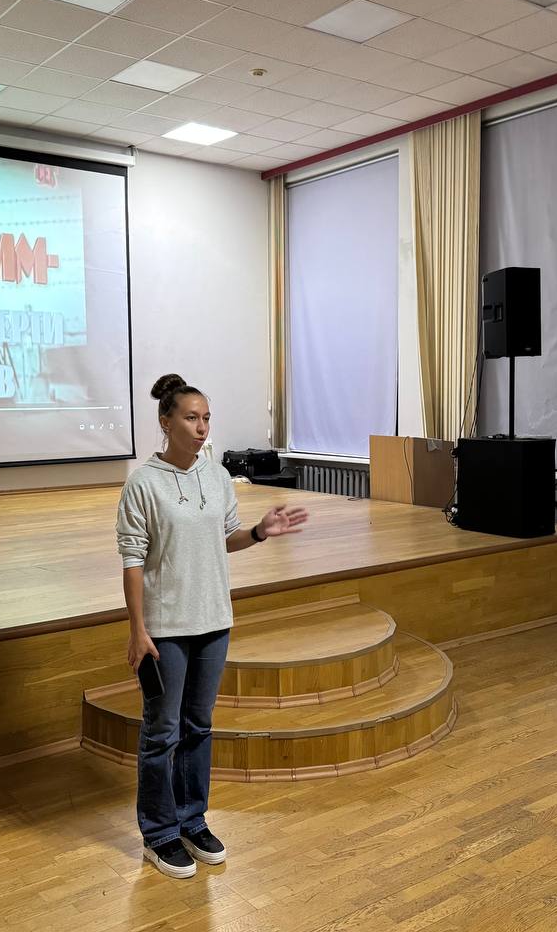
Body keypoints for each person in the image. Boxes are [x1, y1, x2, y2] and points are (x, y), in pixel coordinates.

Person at [116, 373, 309, 879]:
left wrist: (259, 532)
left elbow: (226, 537)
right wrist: (138, 629)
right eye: (191, 418)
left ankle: (191, 820)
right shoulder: (143, 483)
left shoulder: (218, 476)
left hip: (214, 622)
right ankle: (159, 833)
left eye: (206, 418)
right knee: (162, 733)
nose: (202, 427)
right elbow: (132, 561)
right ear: (166, 422)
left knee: (198, 728)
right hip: (165, 627)